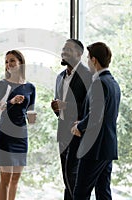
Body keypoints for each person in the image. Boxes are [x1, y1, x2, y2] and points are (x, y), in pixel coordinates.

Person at [71, 42, 121, 200]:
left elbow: (95, 116)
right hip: (107, 147)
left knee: (80, 193)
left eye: (87, 58)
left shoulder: (99, 82)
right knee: (103, 192)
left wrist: (79, 126)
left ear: (94, 60)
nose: (87, 62)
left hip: (94, 148)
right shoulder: (113, 83)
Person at [51, 39, 92, 200]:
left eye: (68, 49)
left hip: (80, 135)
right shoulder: (60, 77)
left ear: (79, 54)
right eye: (63, 49)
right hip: (63, 135)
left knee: (76, 180)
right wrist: (57, 108)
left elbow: (92, 107)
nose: (63, 52)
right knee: (67, 179)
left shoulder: (88, 75)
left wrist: (67, 105)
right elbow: (60, 106)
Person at [0, 50, 36, 200]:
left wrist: (33, 117)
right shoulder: (2, 84)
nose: (8, 64)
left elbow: (30, 112)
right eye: (6, 62)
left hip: (21, 135)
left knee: (15, 180)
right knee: (5, 179)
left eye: (12, 60)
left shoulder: (30, 87)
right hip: (5, 134)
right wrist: (11, 102)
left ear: (21, 63)